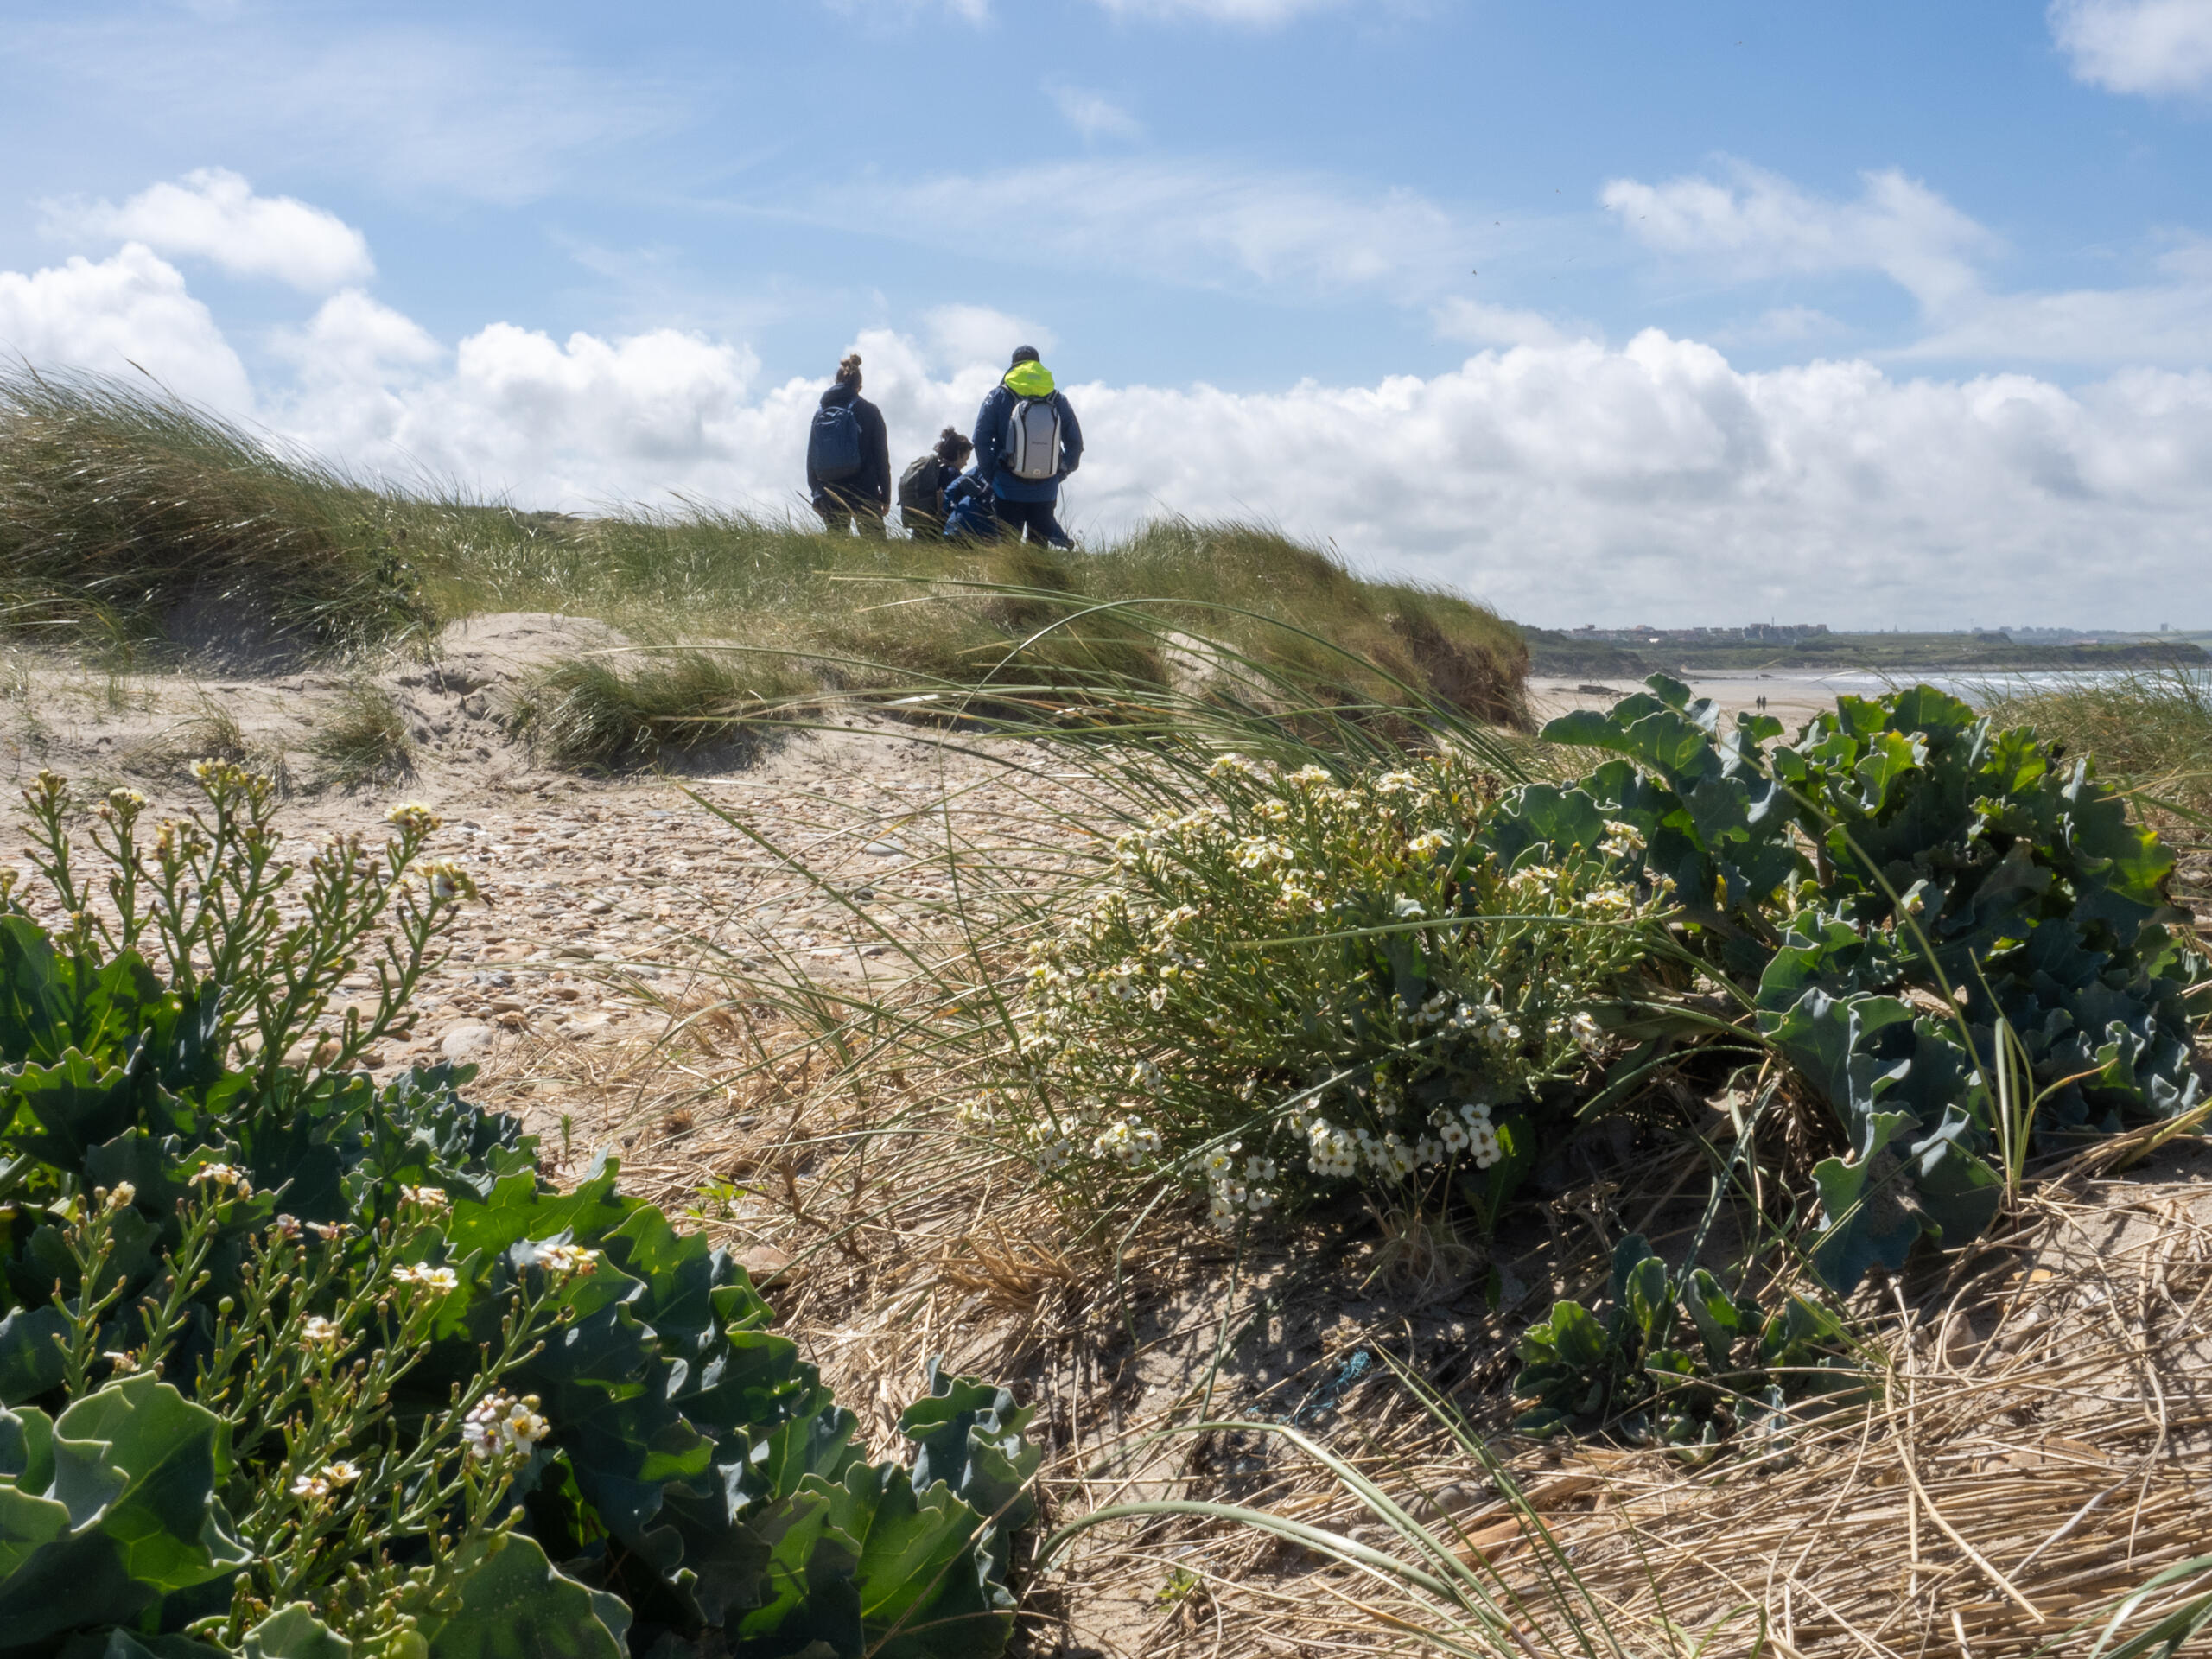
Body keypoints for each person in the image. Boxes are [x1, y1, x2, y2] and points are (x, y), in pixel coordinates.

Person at [970, 346, 1082, 548]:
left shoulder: (998, 396)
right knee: (1038, 548)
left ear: (1013, 367)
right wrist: (1059, 472)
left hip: (1006, 485)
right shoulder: (1057, 399)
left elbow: (980, 439)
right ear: (1038, 366)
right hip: (1046, 487)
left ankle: (1009, 578)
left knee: (1007, 547)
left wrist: (991, 475)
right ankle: (1037, 579)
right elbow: (1075, 443)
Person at [805, 353, 890, 536]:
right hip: (865, 490)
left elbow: (812, 456)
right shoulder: (870, 411)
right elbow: (881, 457)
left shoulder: (819, 413)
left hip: (829, 489)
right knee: (879, 552)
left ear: (835, 382)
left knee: (837, 552)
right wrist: (886, 494)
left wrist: (816, 493)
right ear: (859, 387)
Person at [896, 427, 973, 537]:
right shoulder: (953, 474)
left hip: (921, 528)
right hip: (936, 531)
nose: (965, 464)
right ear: (958, 453)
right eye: (966, 459)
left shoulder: (936, 470)